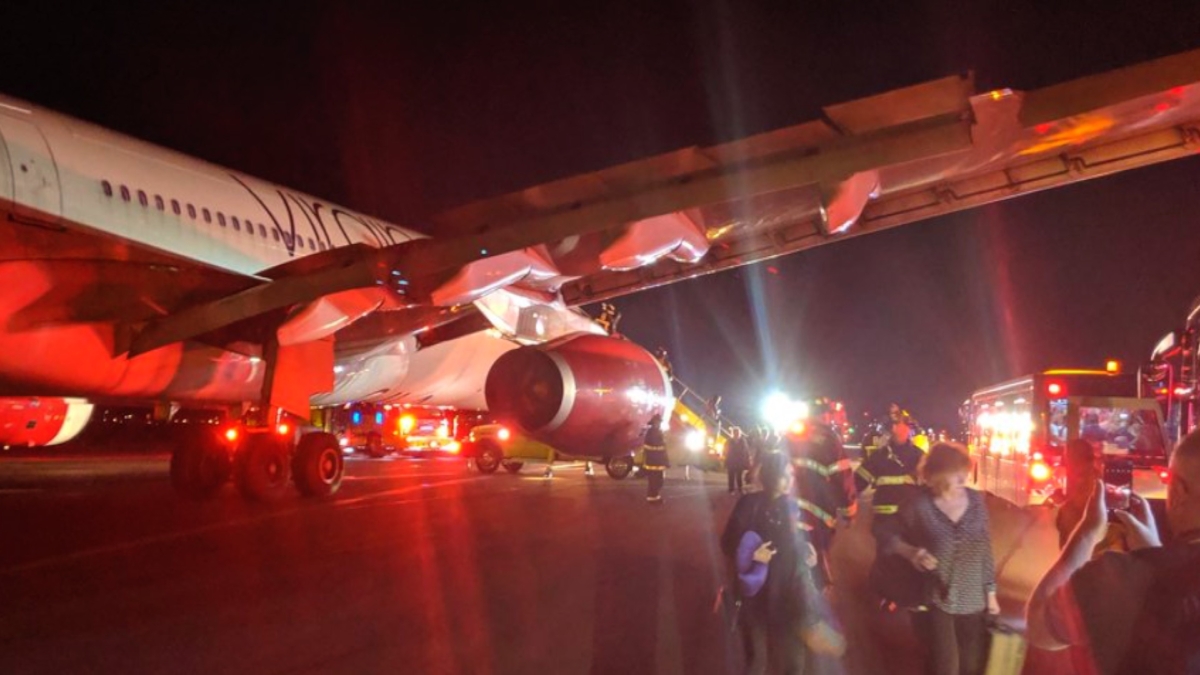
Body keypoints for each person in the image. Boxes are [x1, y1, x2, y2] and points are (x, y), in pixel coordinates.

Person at [1026, 429, 1200, 674]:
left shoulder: (1121, 577)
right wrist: (1154, 553)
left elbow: (1039, 626)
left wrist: (1087, 532)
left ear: (1180, 492)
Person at [721, 452, 842, 674]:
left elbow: (806, 543)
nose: (789, 480)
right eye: (784, 474)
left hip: (790, 599)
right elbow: (728, 542)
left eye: (791, 475)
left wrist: (811, 557)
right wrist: (751, 555)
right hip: (755, 597)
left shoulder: (795, 508)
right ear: (770, 476)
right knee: (757, 662)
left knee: (793, 664)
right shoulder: (750, 504)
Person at [886, 442, 999, 675]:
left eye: (964, 471)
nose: (964, 477)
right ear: (938, 474)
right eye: (956, 471)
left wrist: (991, 594)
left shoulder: (976, 501)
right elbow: (887, 537)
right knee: (945, 667)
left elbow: (985, 549)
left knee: (971, 667)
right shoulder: (919, 505)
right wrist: (911, 552)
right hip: (937, 598)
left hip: (974, 601)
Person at [785, 422, 857, 589]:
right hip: (818, 516)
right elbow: (843, 478)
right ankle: (818, 590)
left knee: (787, 554)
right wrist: (849, 511)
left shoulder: (789, 435)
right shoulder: (829, 440)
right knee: (816, 556)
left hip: (788, 511)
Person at [1054, 439, 1127, 553]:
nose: (1066, 460)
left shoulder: (1088, 477)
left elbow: (1083, 506)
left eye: (1068, 456)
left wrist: (1063, 503)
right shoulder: (1083, 475)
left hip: (1090, 534)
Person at [643, 413, 669, 504]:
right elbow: (656, 447)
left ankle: (655, 497)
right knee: (655, 481)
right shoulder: (652, 432)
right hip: (654, 461)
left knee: (658, 481)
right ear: (654, 423)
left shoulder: (656, 431)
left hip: (656, 461)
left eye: (659, 422)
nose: (659, 424)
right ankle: (653, 498)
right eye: (658, 422)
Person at [727, 426, 751, 495]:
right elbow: (726, 451)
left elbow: (746, 452)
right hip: (731, 461)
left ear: (739, 433)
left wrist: (746, 461)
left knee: (739, 476)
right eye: (735, 432)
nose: (736, 434)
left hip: (739, 462)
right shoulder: (730, 441)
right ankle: (731, 490)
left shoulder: (743, 441)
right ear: (733, 433)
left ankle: (740, 489)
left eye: (737, 432)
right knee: (731, 476)